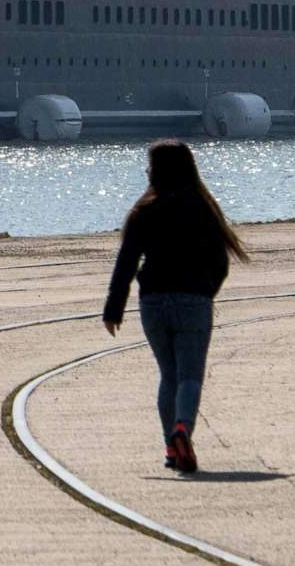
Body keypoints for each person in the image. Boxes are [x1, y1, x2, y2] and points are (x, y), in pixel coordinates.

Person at [103, 139, 251, 474]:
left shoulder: (144, 210)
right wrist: (206, 292)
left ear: (155, 170)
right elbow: (220, 261)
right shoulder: (203, 207)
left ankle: (171, 448)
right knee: (190, 376)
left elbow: (126, 263)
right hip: (193, 300)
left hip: (153, 301)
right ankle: (182, 427)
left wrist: (113, 309)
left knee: (168, 375)